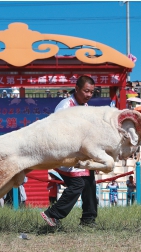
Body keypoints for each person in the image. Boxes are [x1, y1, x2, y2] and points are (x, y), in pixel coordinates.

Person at [41, 75, 98, 228]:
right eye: (86, 91)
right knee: (78, 184)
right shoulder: (65, 105)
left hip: (82, 155)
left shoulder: (86, 107)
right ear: (77, 88)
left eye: (92, 92)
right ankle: (52, 214)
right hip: (66, 155)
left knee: (90, 184)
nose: (89, 95)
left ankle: (88, 219)